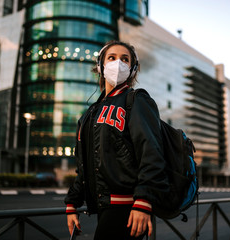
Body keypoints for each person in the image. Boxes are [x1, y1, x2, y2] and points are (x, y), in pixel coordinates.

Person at [64, 40, 169, 240]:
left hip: (129, 208)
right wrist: (71, 203)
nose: (118, 63)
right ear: (101, 66)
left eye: (125, 59)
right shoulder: (89, 114)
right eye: (111, 58)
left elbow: (152, 152)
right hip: (104, 207)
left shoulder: (137, 100)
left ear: (133, 69)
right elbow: (84, 165)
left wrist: (144, 201)